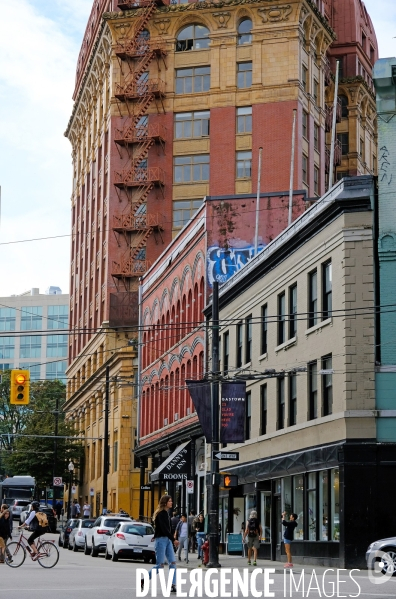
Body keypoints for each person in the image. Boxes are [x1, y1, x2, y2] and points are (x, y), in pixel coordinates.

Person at [141, 495, 179, 594]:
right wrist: (173, 539)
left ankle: (173, 584)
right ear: (165, 502)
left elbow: (163, 529)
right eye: (170, 501)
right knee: (160, 566)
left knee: (173, 563)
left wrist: (169, 538)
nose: (171, 503)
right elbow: (163, 529)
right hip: (161, 541)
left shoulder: (167, 514)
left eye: (171, 501)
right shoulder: (160, 514)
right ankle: (144, 579)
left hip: (167, 540)